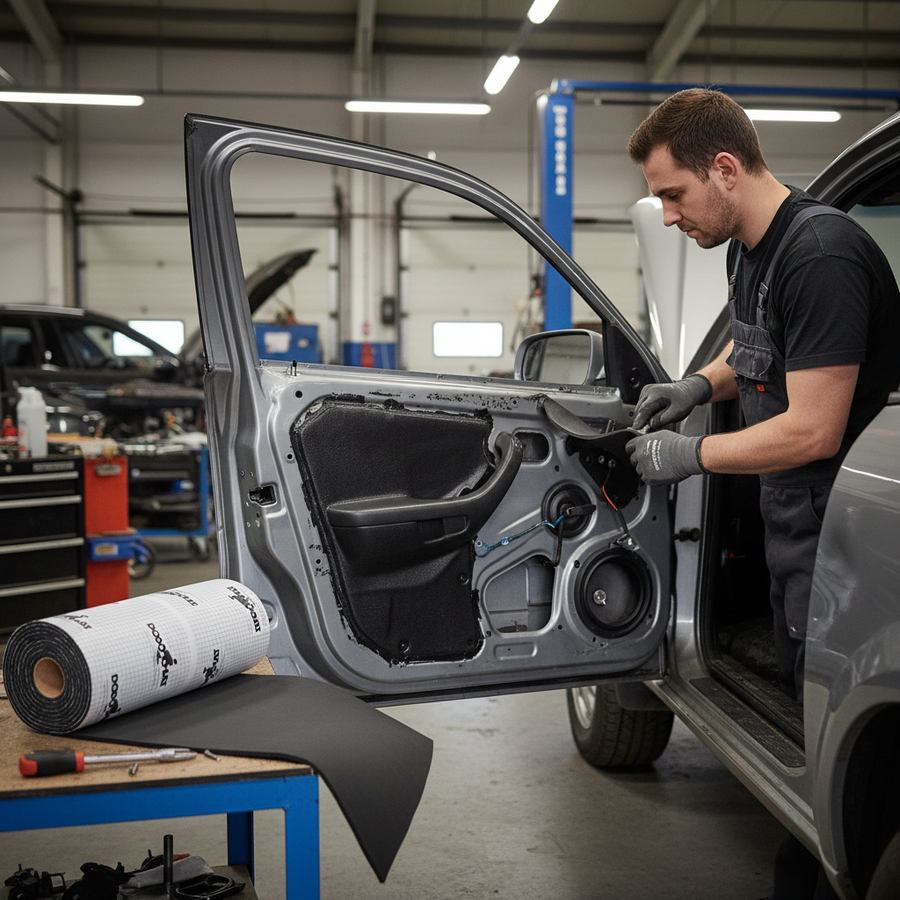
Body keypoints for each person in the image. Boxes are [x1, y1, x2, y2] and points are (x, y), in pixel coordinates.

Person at [623, 87, 900, 900]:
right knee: (813, 749)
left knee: (842, 765)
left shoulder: (819, 254)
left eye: (673, 195)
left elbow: (813, 428)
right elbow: (756, 353)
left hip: (839, 537)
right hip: (793, 531)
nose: (669, 217)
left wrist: (691, 452)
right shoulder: (751, 247)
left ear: (725, 168)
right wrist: (693, 387)